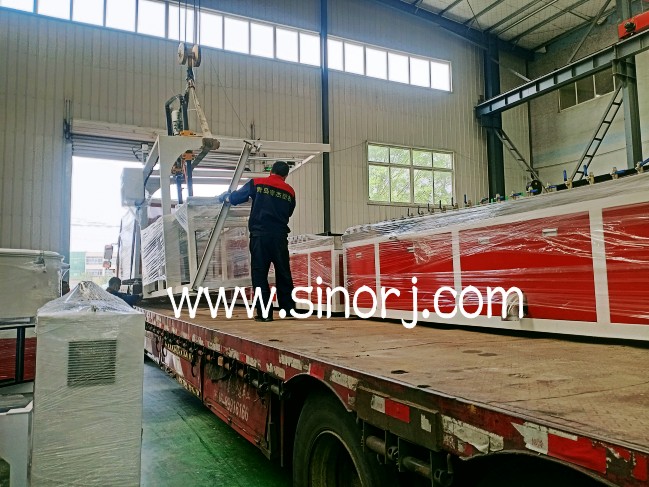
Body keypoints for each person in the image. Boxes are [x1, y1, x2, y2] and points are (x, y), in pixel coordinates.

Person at [218, 160, 295, 322]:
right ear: (285, 176)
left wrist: (226, 197)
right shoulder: (290, 191)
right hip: (280, 237)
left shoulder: (257, 183)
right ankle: (288, 309)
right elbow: (289, 212)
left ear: (271, 171)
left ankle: (265, 314)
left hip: (260, 236)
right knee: (283, 273)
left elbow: (236, 198)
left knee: (260, 274)